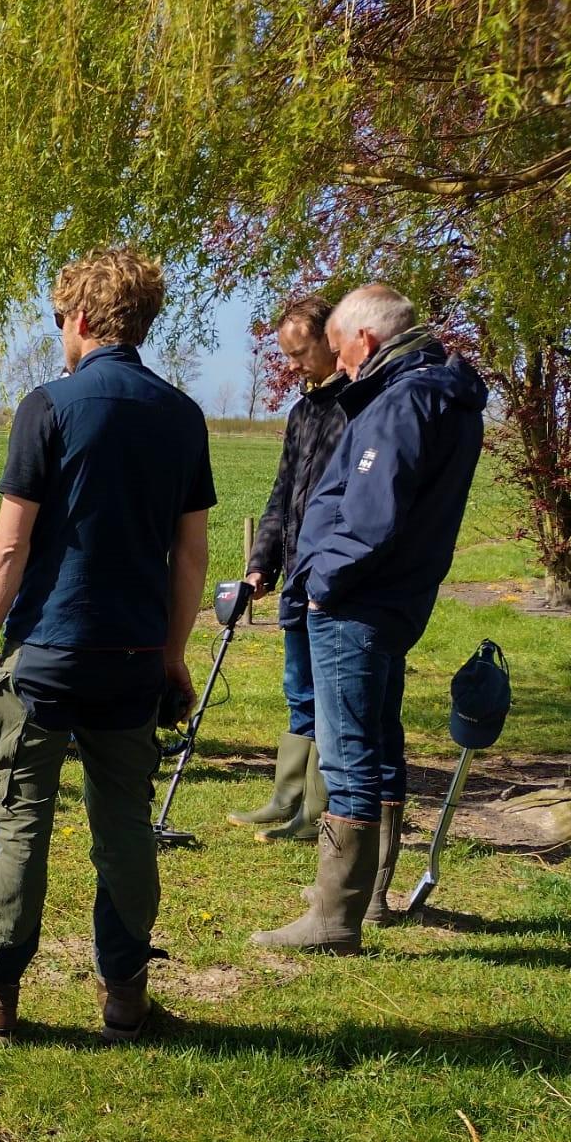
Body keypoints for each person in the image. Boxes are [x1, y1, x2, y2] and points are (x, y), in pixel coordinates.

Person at [0, 247, 215, 1041]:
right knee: (124, 827)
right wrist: (172, 653)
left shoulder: (48, 406)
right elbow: (190, 556)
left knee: (20, 824)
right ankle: (126, 992)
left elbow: (9, 546)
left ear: (80, 319)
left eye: (58, 320)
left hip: (46, 652)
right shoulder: (184, 418)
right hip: (133, 659)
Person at [253, 284, 487, 953]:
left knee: (351, 753)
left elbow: (370, 515)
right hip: (393, 598)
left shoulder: (403, 400)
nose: (338, 365)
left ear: (364, 339)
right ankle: (366, 893)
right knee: (379, 744)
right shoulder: (440, 394)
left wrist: (322, 583)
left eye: (337, 350)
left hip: (357, 602)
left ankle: (335, 916)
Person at [228, 296, 347, 843]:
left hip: (335, 577)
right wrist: (260, 567)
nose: (292, 365)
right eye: (287, 355)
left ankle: (319, 810)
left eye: (299, 353)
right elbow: (282, 497)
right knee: (298, 687)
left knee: (328, 694)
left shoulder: (358, 407)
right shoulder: (303, 411)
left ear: (332, 340)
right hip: (297, 572)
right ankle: (288, 796)